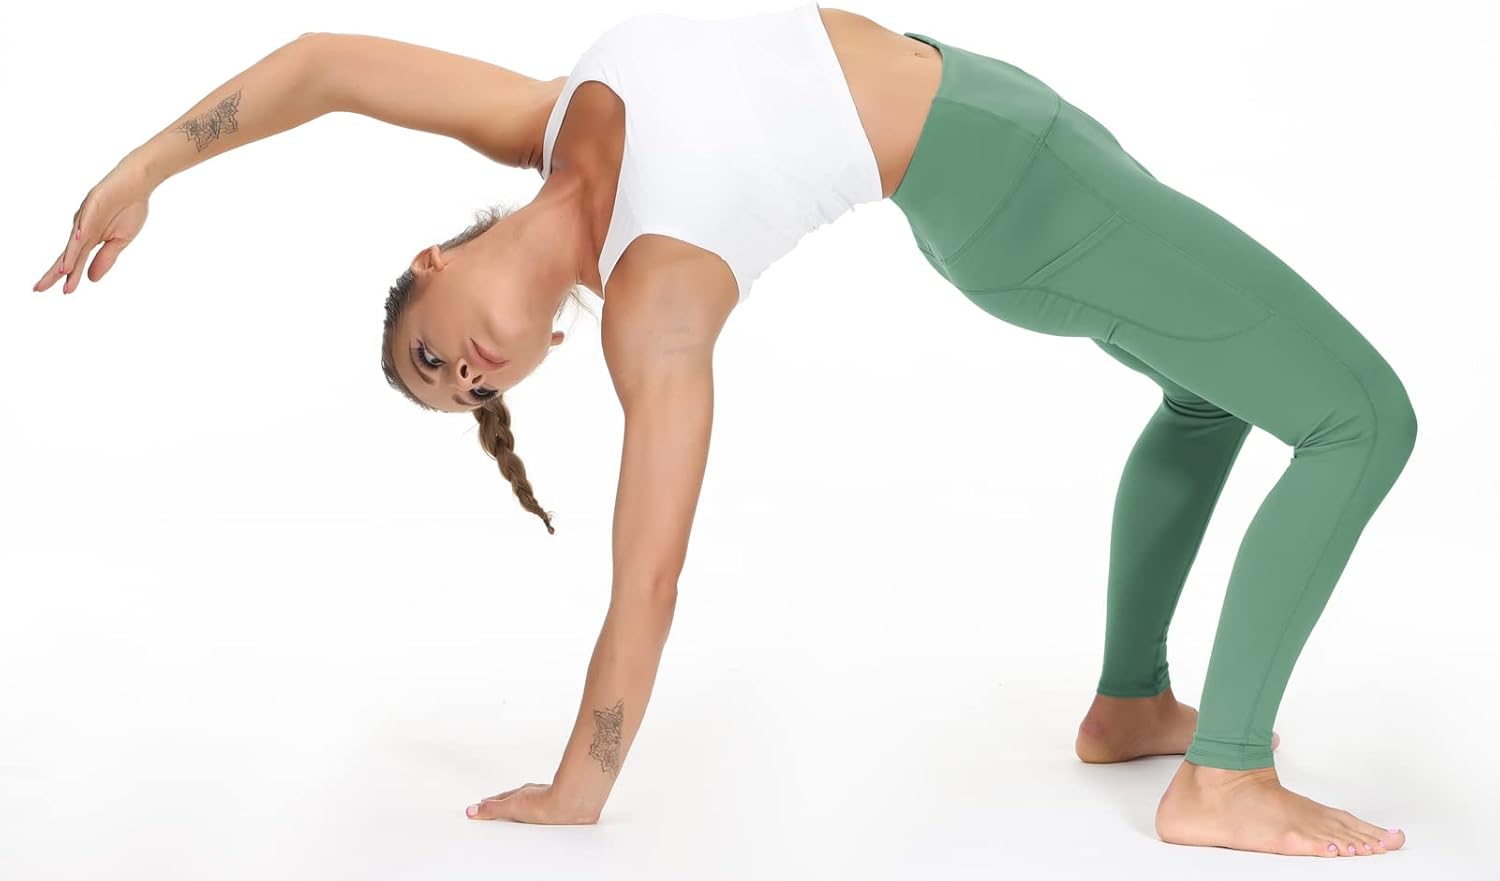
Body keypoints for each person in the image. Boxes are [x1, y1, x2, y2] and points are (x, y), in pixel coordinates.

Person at [36, 2, 1414, 857]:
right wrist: (579, 785)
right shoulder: (655, 301)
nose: (467, 373)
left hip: (1030, 141)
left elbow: (325, 64)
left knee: (1208, 390)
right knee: (1361, 418)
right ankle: (1225, 775)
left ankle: (1130, 707)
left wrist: (145, 167)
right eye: (467, 395)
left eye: (431, 354)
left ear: (432, 260)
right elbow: (647, 579)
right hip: (1023, 199)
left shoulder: (538, 117)